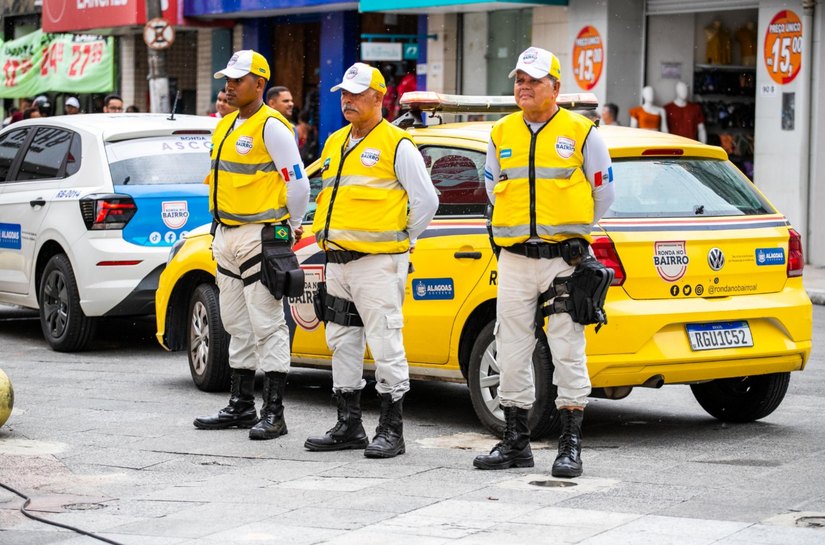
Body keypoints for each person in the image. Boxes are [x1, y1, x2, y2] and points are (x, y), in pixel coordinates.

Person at [473, 47, 614, 478]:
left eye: (533, 81)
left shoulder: (583, 132)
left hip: (564, 261)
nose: (524, 87)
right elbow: (494, 189)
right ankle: (516, 442)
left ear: (555, 86)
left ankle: (570, 446)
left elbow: (603, 196)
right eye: (519, 79)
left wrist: (571, 235)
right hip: (516, 258)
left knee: (567, 348)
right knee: (511, 349)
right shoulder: (501, 133)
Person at [304, 62, 438, 458]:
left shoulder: (397, 144)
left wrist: (402, 238)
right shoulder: (334, 143)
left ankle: (391, 429)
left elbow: (427, 201)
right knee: (342, 341)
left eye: (356, 94)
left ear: (378, 98)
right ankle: (349, 425)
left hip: (377, 263)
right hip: (338, 261)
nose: (347, 100)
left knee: (385, 343)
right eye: (344, 94)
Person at [193, 50, 310, 441]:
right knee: (235, 324)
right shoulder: (224, 126)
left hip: (260, 234)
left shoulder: (272, 126)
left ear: (259, 84)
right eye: (228, 77)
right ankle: (241, 406)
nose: (229, 84)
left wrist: (290, 226)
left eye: (238, 79)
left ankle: (273, 412)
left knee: (268, 325)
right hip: (226, 235)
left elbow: (298, 184)